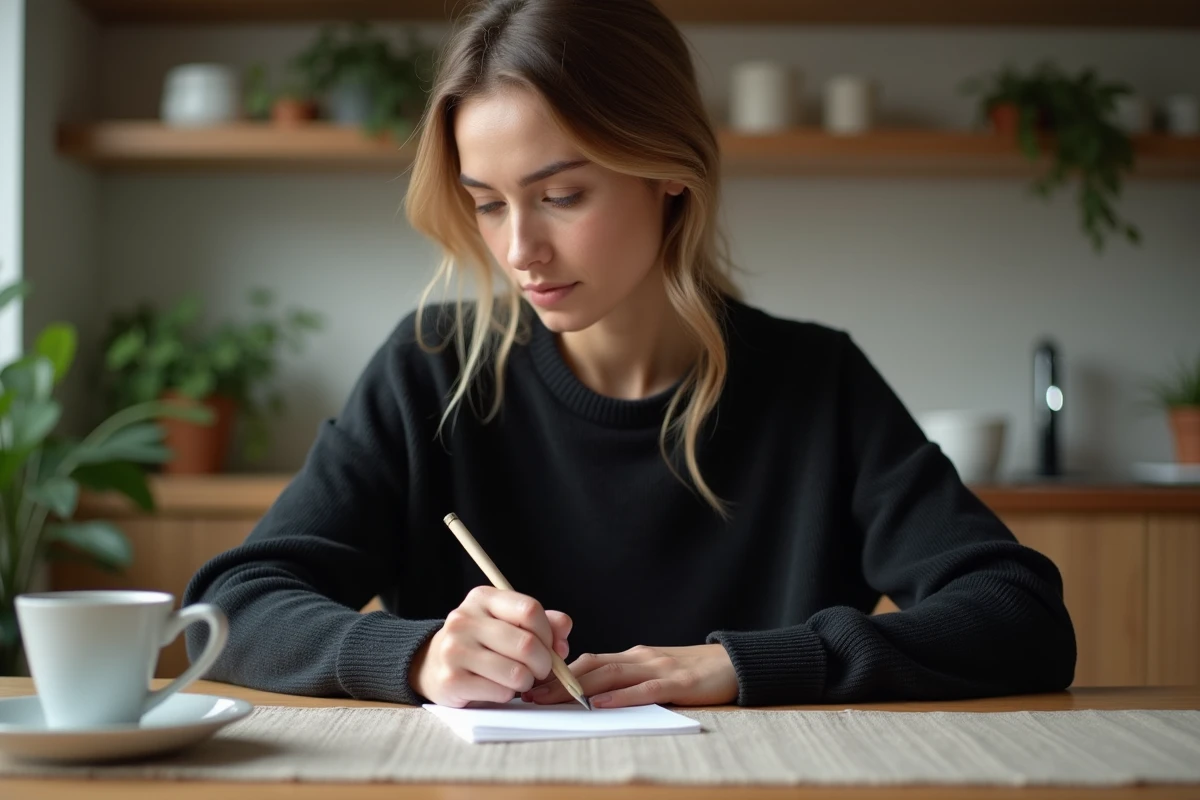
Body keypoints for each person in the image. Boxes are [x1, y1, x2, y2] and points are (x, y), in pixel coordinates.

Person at [183, 0, 1075, 710]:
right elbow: (232, 607)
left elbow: (1019, 617)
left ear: (668, 171)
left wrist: (748, 665)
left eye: (561, 194)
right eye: (487, 203)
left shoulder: (815, 382)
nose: (520, 248)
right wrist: (414, 655)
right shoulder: (433, 367)